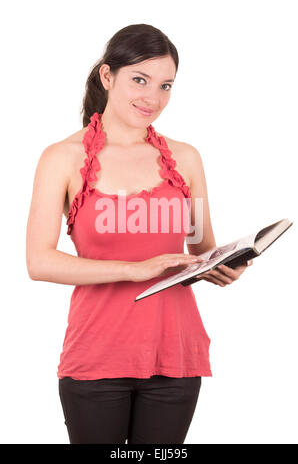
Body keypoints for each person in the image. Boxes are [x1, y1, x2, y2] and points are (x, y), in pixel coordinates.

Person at [26, 23, 253, 444]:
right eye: (140, 80)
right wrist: (135, 270)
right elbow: (39, 262)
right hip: (96, 356)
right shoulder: (62, 158)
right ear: (108, 76)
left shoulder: (186, 158)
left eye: (166, 85)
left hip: (176, 355)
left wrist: (220, 265)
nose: (154, 98)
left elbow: (200, 246)